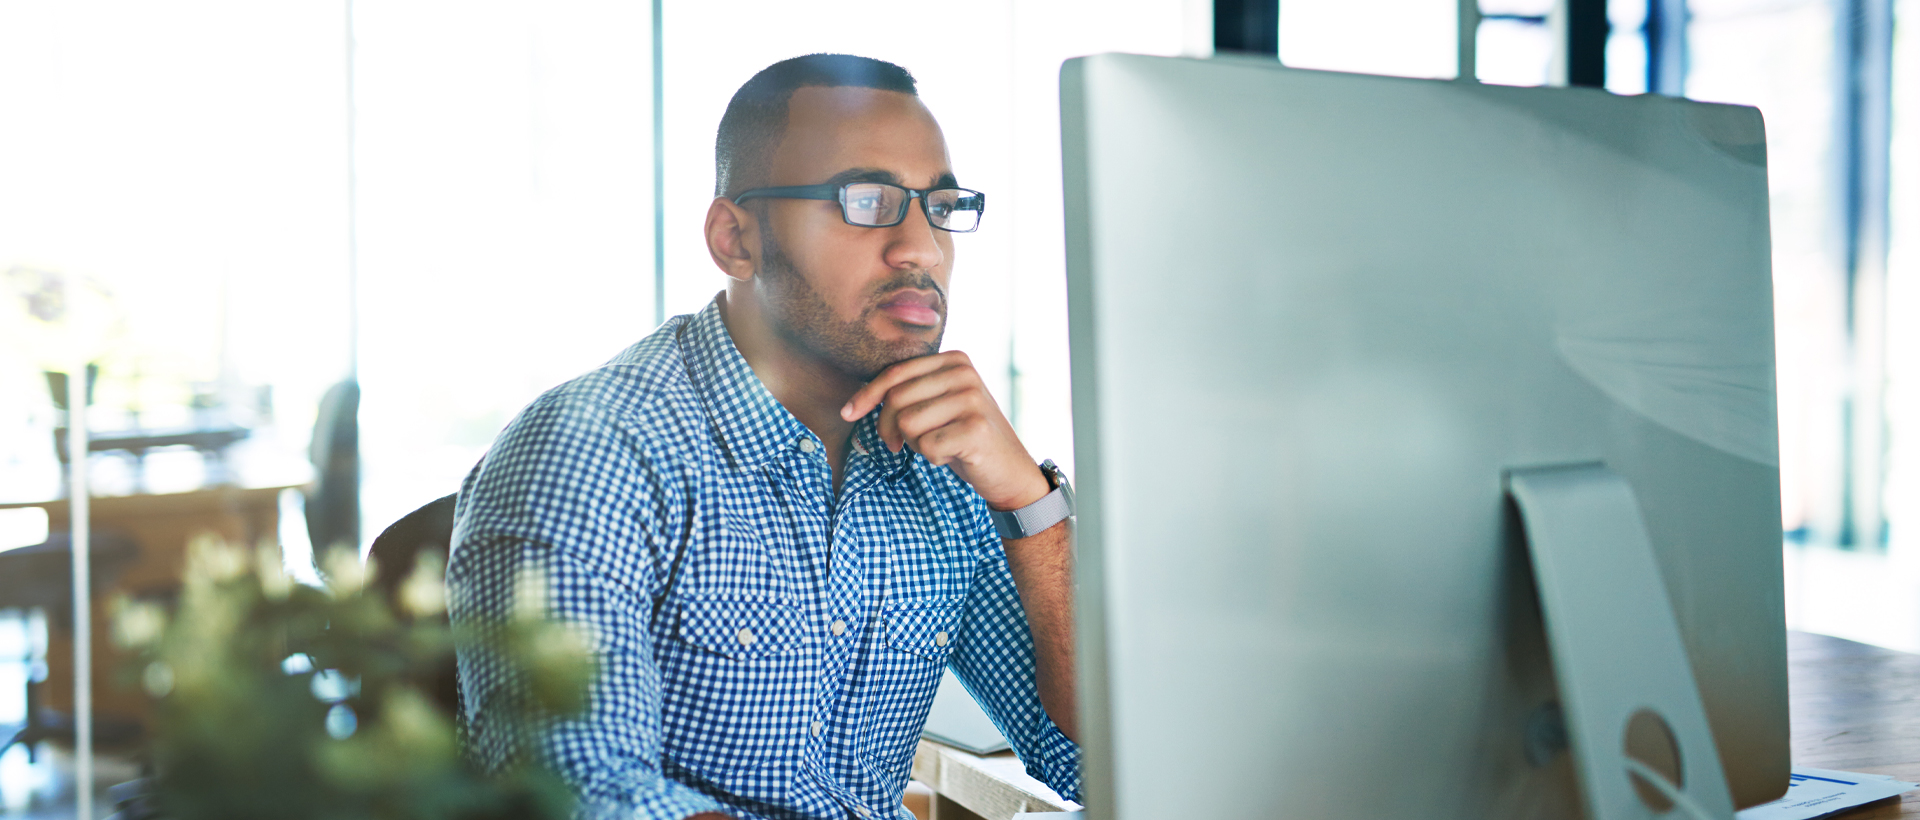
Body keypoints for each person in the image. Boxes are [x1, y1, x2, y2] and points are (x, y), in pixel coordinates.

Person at [448, 53, 1079, 820]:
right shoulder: (592, 451)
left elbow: (1094, 758)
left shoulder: (949, 470)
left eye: (939, 205)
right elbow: (584, 796)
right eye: (868, 200)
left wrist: (1030, 501)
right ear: (734, 239)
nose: (921, 248)